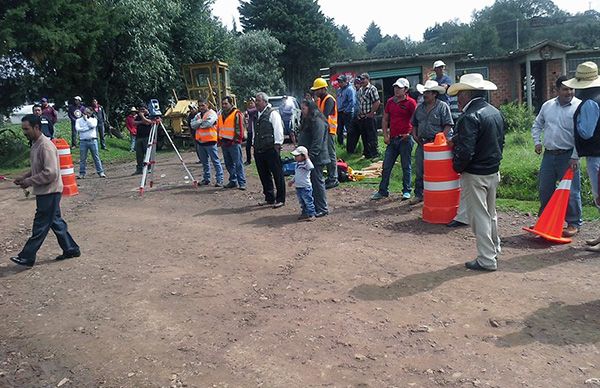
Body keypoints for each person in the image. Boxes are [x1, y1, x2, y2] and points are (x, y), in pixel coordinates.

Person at [448, 73, 505, 271]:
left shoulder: (469, 117)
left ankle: (486, 259)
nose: (457, 99)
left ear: (465, 94)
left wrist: (457, 167)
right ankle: (494, 248)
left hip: (475, 173)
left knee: (479, 216)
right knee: (491, 213)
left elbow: (466, 150)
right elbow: (499, 142)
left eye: (459, 94)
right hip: (492, 169)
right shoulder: (494, 112)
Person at [9, 114, 80, 268]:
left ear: (36, 127)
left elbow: (51, 173)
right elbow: (38, 168)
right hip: (46, 191)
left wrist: (28, 181)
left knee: (40, 225)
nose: (24, 132)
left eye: (26, 129)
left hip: (50, 191)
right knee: (55, 221)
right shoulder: (36, 144)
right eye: (23, 129)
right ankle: (71, 249)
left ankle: (27, 257)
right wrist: (25, 177)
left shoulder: (45, 146)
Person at [531, 75, 582, 237]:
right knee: (545, 188)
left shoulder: (579, 107)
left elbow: (580, 135)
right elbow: (537, 124)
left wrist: (575, 156)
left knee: (572, 191)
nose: (569, 92)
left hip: (568, 156)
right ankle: (545, 220)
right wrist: (537, 141)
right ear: (557, 90)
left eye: (571, 89)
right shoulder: (548, 106)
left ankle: (574, 223)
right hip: (549, 155)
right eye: (565, 89)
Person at [563, 62, 600, 251]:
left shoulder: (590, 102)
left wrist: (575, 123)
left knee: (599, 196)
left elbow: (586, 132)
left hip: (596, 155)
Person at [371, 78, 417, 201]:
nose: (396, 89)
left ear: (406, 90)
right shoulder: (390, 102)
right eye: (395, 87)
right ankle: (383, 191)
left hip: (405, 139)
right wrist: (385, 135)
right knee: (386, 165)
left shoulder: (411, 103)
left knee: (406, 165)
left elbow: (416, 120)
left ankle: (406, 190)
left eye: (399, 87)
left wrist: (410, 134)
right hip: (393, 139)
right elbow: (385, 119)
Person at [410, 80, 453, 204]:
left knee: (437, 172)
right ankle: (419, 194)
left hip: (437, 145)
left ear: (434, 94)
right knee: (420, 170)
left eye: (428, 92)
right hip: (422, 143)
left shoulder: (442, 106)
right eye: (424, 92)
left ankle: (437, 195)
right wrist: (414, 134)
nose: (425, 95)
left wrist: (440, 139)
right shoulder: (420, 108)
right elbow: (414, 124)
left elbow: (448, 125)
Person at [297, 99, 329, 217]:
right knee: (308, 184)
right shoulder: (307, 120)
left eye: (304, 108)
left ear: (310, 108)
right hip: (308, 157)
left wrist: (310, 157)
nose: (302, 111)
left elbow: (318, 141)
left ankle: (322, 208)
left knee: (317, 182)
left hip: (316, 158)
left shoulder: (317, 121)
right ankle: (311, 208)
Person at [254, 92, 286, 208]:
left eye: (258, 100)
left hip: (271, 149)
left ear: (265, 102)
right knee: (264, 175)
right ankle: (269, 198)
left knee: (277, 174)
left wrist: (277, 145)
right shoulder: (257, 114)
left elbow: (278, 130)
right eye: (256, 100)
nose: (256, 103)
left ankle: (280, 199)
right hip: (259, 149)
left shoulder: (273, 114)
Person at [311, 77, 339, 189]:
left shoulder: (329, 99)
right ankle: (331, 176)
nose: (316, 92)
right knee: (326, 154)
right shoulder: (320, 100)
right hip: (323, 130)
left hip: (329, 131)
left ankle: (334, 178)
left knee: (331, 155)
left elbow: (324, 115)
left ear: (323, 89)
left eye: (317, 90)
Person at [191, 98, 224, 187]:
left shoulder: (212, 113)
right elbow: (192, 125)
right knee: (204, 162)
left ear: (207, 105)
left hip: (210, 141)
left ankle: (219, 180)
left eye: (203, 105)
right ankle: (206, 179)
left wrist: (199, 124)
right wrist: (201, 122)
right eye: (200, 106)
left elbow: (208, 124)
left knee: (215, 161)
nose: (201, 107)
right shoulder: (198, 115)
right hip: (200, 142)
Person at [348, 73, 380, 159]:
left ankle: (374, 154)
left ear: (368, 79)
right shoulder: (361, 90)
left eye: (363, 79)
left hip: (370, 116)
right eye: (360, 79)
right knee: (364, 136)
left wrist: (371, 113)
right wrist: (359, 114)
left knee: (372, 136)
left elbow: (377, 102)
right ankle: (367, 154)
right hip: (362, 117)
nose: (361, 81)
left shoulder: (372, 89)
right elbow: (360, 103)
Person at [218, 96, 246, 190]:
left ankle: (242, 182)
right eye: (223, 104)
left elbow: (240, 128)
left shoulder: (236, 113)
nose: (224, 105)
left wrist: (237, 140)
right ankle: (233, 180)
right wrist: (220, 140)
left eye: (226, 103)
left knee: (238, 163)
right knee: (228, 163)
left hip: (234, 143)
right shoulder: (221, 114)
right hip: (224, 142)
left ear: (231, 103)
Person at [76, 107, 106, 179]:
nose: (86, 114)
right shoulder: (78, 120)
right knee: (83, 158)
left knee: (96, 157)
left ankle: (100, 172)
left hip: (93, 140)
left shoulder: (94, 120)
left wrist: (86, 120)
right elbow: (78, 129)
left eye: (88, 113)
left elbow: (93, 126)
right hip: (83, 141)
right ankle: (82, 173)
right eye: (85, 112)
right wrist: (87, 128)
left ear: (91, 113)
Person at [288, 146, 316, 221]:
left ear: (303, 156)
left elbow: (311, 167)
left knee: (308, 201)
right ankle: (305, 213)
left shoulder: (306, 164)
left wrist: (307, 158)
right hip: (298, 187)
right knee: (302, 202)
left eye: (297, 156)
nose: (295, 157)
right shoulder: (297, 164)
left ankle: (312, 214)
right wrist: (292, 180)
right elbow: (296, 174)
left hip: (305, 187)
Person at [133, 105, 153, 175]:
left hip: (147, 137)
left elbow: (148, 122)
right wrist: (142, 121)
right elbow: (134, 123)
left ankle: (149, 168)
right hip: (139, 137)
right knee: (139, 154)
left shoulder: (150, 115)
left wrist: (142, 117)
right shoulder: (138, 116)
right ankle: (139, 169)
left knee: (147, 153)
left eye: (143, 109)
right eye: (140, 110)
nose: (142, 111)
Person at [336, 74, 356, 146]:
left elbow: (352, 102)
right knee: (339, 130)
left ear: (345, 82)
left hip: (347, 113)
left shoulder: (350, 89)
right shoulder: (339, 90)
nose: (339, 84)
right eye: (339, 82)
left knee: (349, 130)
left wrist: (346, 110)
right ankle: (340, 144)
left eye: (341, 82)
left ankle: (350, 145)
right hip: (340, 112)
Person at [244, 98, 258, 165]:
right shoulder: (250, 111)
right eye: (249, 103)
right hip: (250, 131)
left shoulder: (256, 109)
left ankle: (257, 159)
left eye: (252, 103)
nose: (250, 104)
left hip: (255, 131)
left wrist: (246, 107)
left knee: (256, 146)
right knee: (247, 147)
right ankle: (248, 160)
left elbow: (249, 111)